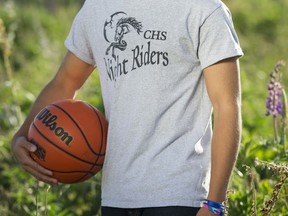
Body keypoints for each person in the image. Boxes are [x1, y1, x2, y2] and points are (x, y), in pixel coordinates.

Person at [11, 0, 243, 215]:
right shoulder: (97, 7)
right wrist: (23, 136)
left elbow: (227, 107)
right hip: (117, 197)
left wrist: (214, 204)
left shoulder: (203, 8)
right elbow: (65, 81)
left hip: (180, 196)